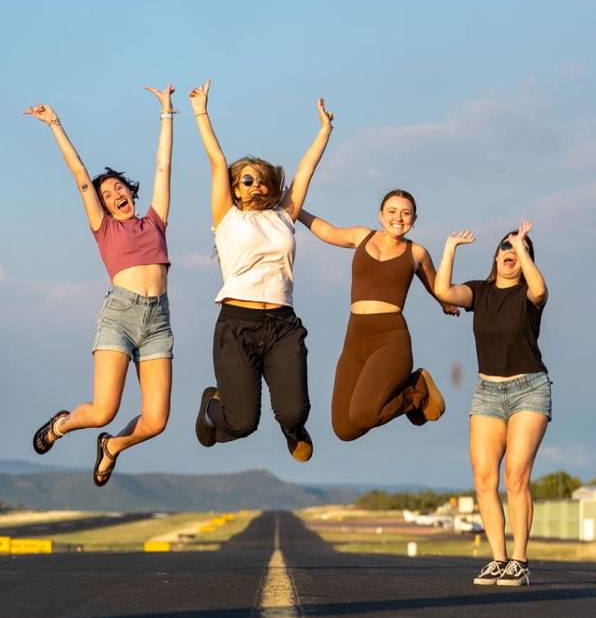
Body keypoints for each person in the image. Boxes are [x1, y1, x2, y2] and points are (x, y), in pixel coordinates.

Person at [25, 87, 175, 487]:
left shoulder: (154, 221)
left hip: (158, 320)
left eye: (118, 188)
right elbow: (79, 174)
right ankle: (61, 426)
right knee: (103, 410)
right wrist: (55, 123)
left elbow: (163, 167)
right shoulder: (104, 228)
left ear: (129, 190)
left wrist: (167, 113)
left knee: (157, 420)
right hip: (120, 316)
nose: (115, 195)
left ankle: (112, 448)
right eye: (106, 194)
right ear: (103, 205)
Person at [189, 80, 333, 463]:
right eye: (246, 180)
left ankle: (292, 429)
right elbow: (217, 161)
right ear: (235, 190)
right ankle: (210, 408)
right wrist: (201, 111)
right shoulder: (227, 217)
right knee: (241, 423)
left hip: (282, 324)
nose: (254, 185)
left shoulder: (284, 216)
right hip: (237, 324)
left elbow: (305, 171)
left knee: (293, 411)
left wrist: (324, 132)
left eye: (261, 180)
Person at [434, 224, 550, 588]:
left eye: (520, 248)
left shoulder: (529, 297)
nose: (511, 251)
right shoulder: (480, 292)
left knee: (515, 476)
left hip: (529, 389)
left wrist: (524, 249)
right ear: (496, 255)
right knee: (484, 480)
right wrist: (450, 247)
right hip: (487, 391)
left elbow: (540, 289)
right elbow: (442, 291)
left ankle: (520, 560)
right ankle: (498, 560)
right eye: (506, 245)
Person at [298, 189, 454, 442]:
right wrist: (295, 212)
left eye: (406, 213)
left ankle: (416, 392)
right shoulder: (362, 236)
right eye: (392, 212)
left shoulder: (417, 253)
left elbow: (438, 287)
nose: (399, 218)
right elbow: (327, 231)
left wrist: (447, 303)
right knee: (345, 429)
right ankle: (415, 391)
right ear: (381, 215)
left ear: (414, 220)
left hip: (390, 339)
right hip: (355, 339)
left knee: (364, 414)